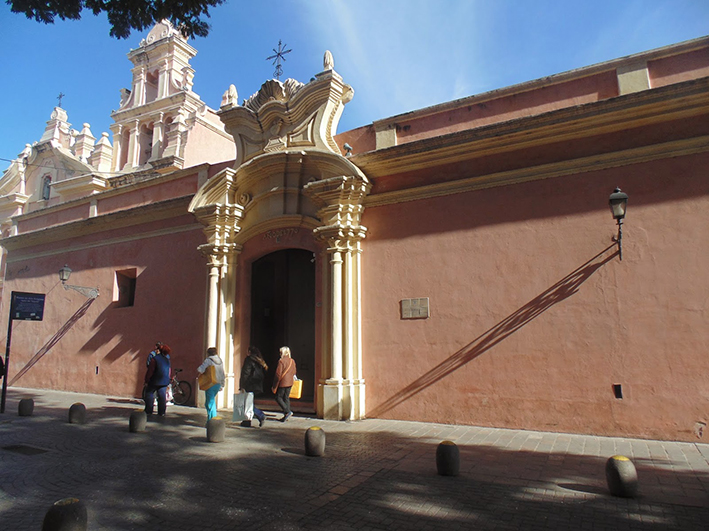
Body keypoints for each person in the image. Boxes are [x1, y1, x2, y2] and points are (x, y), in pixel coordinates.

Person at [239, 346, 268, 427]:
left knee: (247, 403)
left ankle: (259, 416)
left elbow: (245, 373)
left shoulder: (249, 360)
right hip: (256, 385)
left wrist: (242, 385)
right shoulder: (259, 361)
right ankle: (247, 420)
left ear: (249, 352)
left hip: (248, 384)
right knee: (248, 403)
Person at [197, 347, 226, 421]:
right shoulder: (220, 361)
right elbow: (222, 373)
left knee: (209, 403)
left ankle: (212, 419)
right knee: (211, 401)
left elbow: (200, 369)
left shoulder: (208, 360)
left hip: (210, 383)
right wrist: (222, 384)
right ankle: (212, 418)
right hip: (218, 383)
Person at [144, 343, 171, 416]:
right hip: (164, 381)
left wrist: (147, 380)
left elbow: (150, 370)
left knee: (149, 393)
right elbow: (169, 370)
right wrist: (168, 379)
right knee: (162, 396)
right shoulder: (167, 359)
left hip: (154, 380)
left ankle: (149, 410)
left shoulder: (155, 359)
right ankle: (161, 412)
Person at [272, 346, 297, 422]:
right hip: (290, 382)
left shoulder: (281, 361)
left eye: (280, 352)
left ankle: (287, 411)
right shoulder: (292, 361)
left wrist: (274, 385)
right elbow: (294, 372)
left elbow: (278, 374)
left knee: (278, 397)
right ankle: (287, 414)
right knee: (286, 398)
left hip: (283, 382)